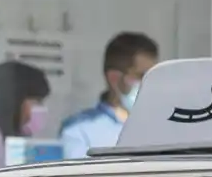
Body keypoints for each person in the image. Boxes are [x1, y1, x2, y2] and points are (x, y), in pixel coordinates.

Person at [57, 31, 160, 159]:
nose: (150, 83)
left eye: (153, 75)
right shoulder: (79, 130)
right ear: (114, 78)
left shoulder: (163, 125)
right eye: (141, 76)